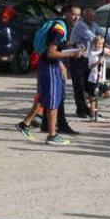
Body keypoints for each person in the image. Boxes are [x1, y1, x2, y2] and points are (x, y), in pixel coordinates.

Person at [21, 16, 83, 145]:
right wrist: (73, 53)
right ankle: (52, 135)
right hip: (49, 66)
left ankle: (25, 123)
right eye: (74, 14)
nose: (76, 18)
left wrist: (73, 46)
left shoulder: (61, 26)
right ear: (66, 14)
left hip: (50, 65)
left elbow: (55, 47)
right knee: (53, 100)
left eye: (79, 15)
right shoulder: (59, 29)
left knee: (44, 97)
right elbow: (51, 52)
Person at [70, 6, 109, 118]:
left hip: (86, 60)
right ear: (84, 16)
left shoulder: (93, 25)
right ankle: (81, 110)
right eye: (90, 16)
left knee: (90, 87)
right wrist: (106, 46)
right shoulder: (81, 26)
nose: (92, 18)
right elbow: (95, 39)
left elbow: (104, 35)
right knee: (79, 86)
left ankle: (91, 110)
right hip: (77, 59)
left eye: (93, 16)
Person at [85, 35, 110, 118]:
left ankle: (93, 100)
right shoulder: (92, 53)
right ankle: (92, 115)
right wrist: (98, 62)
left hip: (102, 79)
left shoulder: (103, 50)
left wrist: (107, 50)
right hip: (94, 78)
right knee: (93, 98)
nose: (98, 45)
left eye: (100, 44)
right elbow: (90, 66)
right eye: (97, 44)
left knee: (109, 94)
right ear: (93, 44)